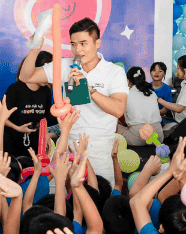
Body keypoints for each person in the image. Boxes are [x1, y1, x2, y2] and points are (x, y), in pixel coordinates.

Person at [18, 18, 129, 181]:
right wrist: (34, 48)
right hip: (67, 146)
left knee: (97, 200)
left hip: (99, 148)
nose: (77, 50)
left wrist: (89, 89)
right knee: (62, 202)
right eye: (73, 44)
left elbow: (119, 109)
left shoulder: (114, 71)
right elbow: (25, 76)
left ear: (97, 43)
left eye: (83, 43)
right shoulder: (64, 65)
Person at [0, 53, 54, 163]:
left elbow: (44, 118)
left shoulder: (46, 91)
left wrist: (46, 135)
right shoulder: (15, 89)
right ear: (34, 70)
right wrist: (18, 128)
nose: (48, 77)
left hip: (34, 147)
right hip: (13, 146)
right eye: (46, 73)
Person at [120, 66, 164, 146]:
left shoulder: (126, 94)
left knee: (115, 126)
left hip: (138, 137)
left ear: (128, 81)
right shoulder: (152, 93)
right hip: (158, 136)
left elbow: (120, 114)